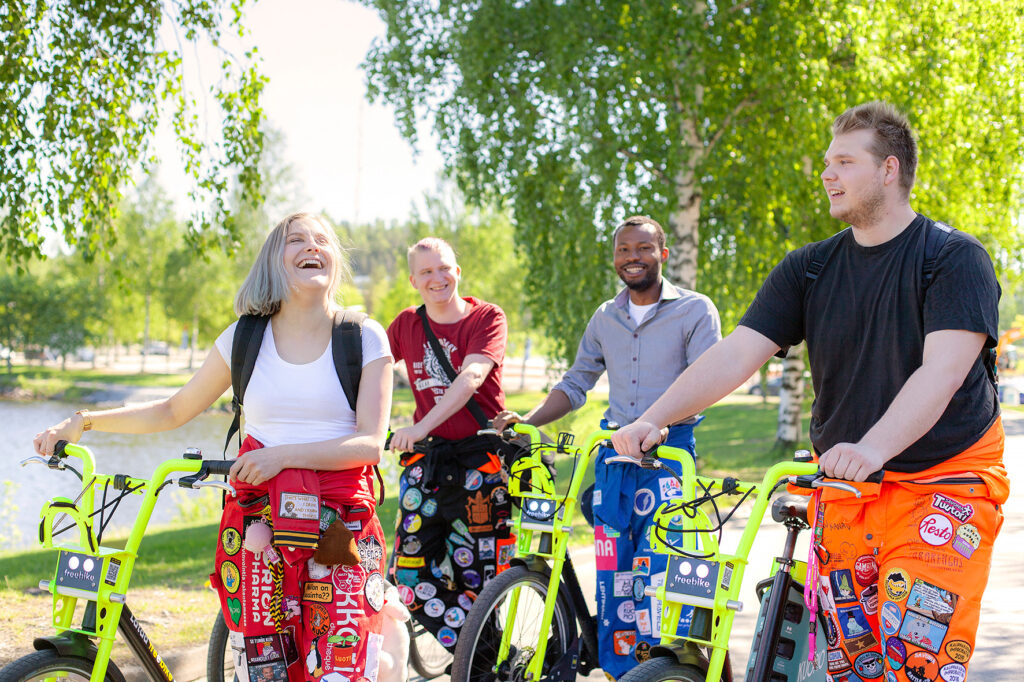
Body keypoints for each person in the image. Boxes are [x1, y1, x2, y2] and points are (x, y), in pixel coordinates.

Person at [612, 102, 1007, 678]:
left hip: (942, 484)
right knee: (853, 663)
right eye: (827, 161)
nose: (827, 174)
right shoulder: (810, 268)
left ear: (889, 169)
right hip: (846, 487)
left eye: (844, 161)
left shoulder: (951, 258)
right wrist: (656, 418)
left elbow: (941, 374)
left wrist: (872, 449)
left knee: (912, 659)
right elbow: (735, 354)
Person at [33, 212, 394, 682]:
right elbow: (172, 411)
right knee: (266, 669)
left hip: (341, 529)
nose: (312, 246)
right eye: (296, 240)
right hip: (260, 526)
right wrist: (84, 421)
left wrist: (281, 456)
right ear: (273, 261)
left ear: (335, 259)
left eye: (322, 239)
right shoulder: (244, 338)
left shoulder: (362, 337)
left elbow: (369, 445)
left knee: (340, 670)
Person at [492, 215, 721, 677]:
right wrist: (527, 423)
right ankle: (620, 670)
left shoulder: (696, 310)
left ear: (663, 254)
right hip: (614, 457)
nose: (632, 258)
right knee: (613, 575)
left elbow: (709, 383)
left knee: (657, 573)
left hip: (669, 456)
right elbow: (577, 383)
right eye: (623, 250)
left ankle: (663, 671)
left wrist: (658, 424)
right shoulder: (605, 316)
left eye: (643, 249)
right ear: (615, 256)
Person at [385, 237, 512, 651]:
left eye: (444, 268)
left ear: (458, 271)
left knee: (479, 582)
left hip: (481, 465)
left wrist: (419, 425)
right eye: (426, 272)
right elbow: (369, 371)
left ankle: (486, 666)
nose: (437, 278)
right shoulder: (406, 324)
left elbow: (471, 378)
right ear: (413, 281)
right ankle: (485, 656)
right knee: (406, 577)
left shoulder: (486, 317)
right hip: (429, 465)